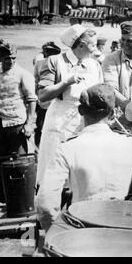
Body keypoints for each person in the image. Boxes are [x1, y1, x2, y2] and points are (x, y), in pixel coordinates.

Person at [36, 83, 132, 231]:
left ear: (81, 110)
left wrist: (57, 233)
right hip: (121, 226)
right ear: (113, 113)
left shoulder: (66, 149)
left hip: (82, 228)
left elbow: (45, 202)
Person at [36, 24, 104, 187]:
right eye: (93, 45)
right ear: (81, 45)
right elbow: (42, 96)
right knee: (55, 176)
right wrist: (66, 81)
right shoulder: (54, 61)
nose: (96, 49)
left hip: (85, 126)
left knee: (81, 176)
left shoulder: (93, 65)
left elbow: (101, 91)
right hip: (59, 125)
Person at [0, 43, 37, 204]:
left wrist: (30, 124)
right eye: (6, 58)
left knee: (18, 162)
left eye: (13, 58)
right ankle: (0, 196)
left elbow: (32, 100)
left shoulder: (23, 74)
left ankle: (19, 199)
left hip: (16, 123)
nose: (10, 60)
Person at [33, 42, 62, 147]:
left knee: (55, 128)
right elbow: (36, 81)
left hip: (56, 102)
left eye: (50, 52)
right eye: (46, 52)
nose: (47, 54)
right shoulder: (39, 63)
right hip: (43, 102)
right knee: (40, 127)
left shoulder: (59, 62)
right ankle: (39, 150)